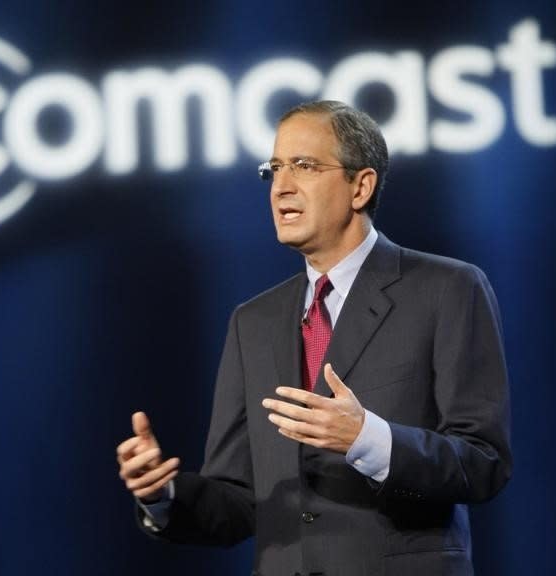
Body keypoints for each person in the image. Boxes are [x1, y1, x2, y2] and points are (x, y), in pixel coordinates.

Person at [116, 100, 512, 576]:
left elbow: (483, 462)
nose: (282, 186)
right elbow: (241, 499)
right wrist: (164, 495)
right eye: (275, 169)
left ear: (360, 186)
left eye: (304, 166)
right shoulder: (253, 322)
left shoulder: (447, 288)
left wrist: (368, 438)